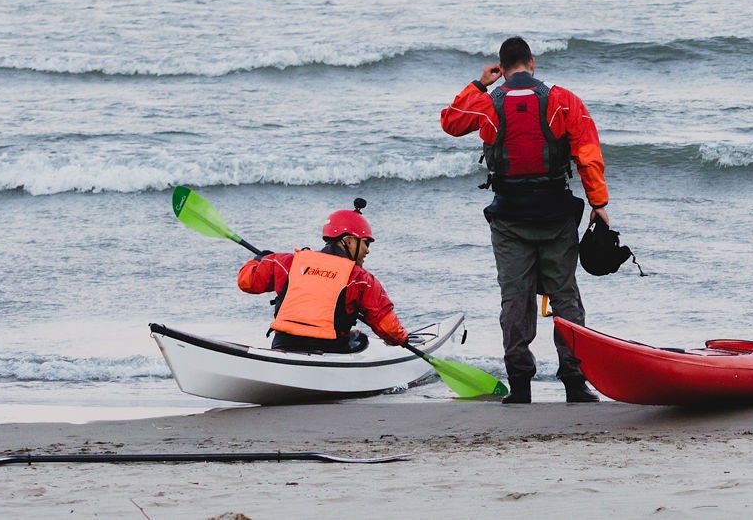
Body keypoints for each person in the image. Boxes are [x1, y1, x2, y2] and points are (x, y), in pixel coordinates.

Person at [441, 35, 611, 404]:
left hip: (509, 219)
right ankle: (574, 383)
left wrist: (479, 83)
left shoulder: (488, 103)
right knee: (565, 298)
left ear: (502, 68)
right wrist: (598, 202)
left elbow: (451, 123)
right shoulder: (563, 100)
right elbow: (588, 153)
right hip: (556, 215)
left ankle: (520, 385)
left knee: (515, 300)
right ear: (532, 63)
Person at [236, 198, 411, 354]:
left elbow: (247, 282)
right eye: (365, 243)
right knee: (361, 340)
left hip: (285, 345)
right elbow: (389, 330)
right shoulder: (361, 278)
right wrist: (403, 339)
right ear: (349, 240)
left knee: (354, 336)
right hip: (330, 347)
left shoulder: (287, 262)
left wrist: (258, 260)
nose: (367, 250)